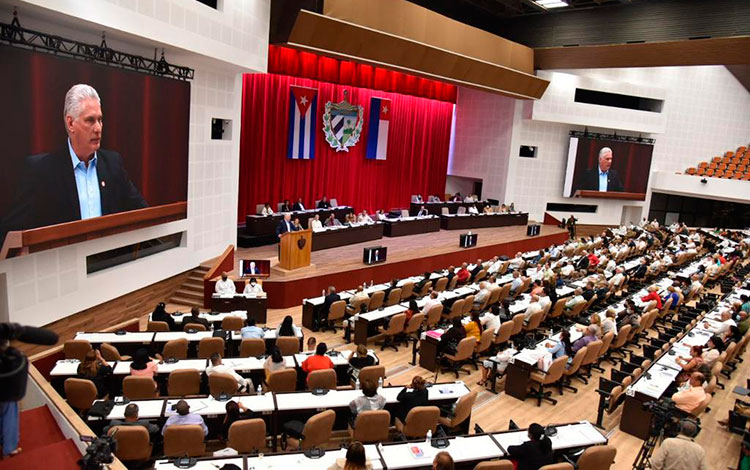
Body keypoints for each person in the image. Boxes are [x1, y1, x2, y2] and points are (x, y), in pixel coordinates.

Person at [0, 84, 147, 243]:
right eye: (90, 120)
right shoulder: (42, 171)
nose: (98, 128)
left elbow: (144, 213)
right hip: (63, 265)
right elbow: (11, 231)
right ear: (71, 124)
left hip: (106, 263)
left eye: (100, 120)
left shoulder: (113, 164)